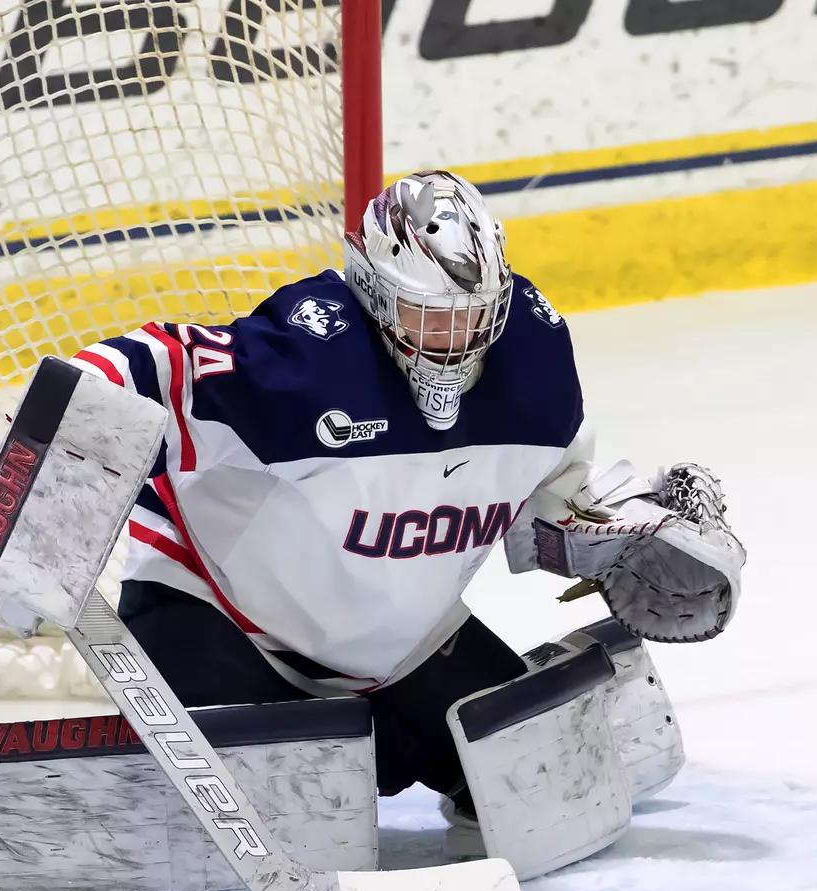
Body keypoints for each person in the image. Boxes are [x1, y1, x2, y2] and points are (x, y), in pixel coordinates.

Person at [66, 170, 630, 808]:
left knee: (548, 793)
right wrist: (49, 454)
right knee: (289, 820)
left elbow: (551, 501)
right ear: (376, 293)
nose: (457, 342)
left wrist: (615, 544)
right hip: (224, 628)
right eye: (429, 318)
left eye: (476, 317)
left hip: (403, 651)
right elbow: (148, 365)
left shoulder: (533, 362)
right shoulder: (309, 363)